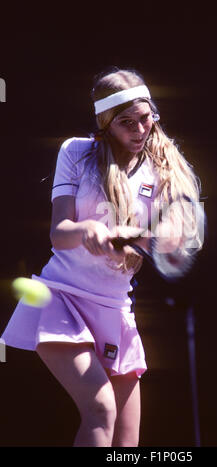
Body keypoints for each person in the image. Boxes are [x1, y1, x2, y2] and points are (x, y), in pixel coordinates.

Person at [1, 67, 203, 447]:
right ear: (106, 124)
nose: (139, 130)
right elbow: (59, 233)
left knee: (126, 443)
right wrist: (86, 230)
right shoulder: (75, 152)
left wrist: (146, 238)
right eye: (127, 123)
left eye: (145, 118)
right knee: (101, 410)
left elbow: (171, 242)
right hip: (59, 299)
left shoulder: (166, 172)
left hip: (115, 310)